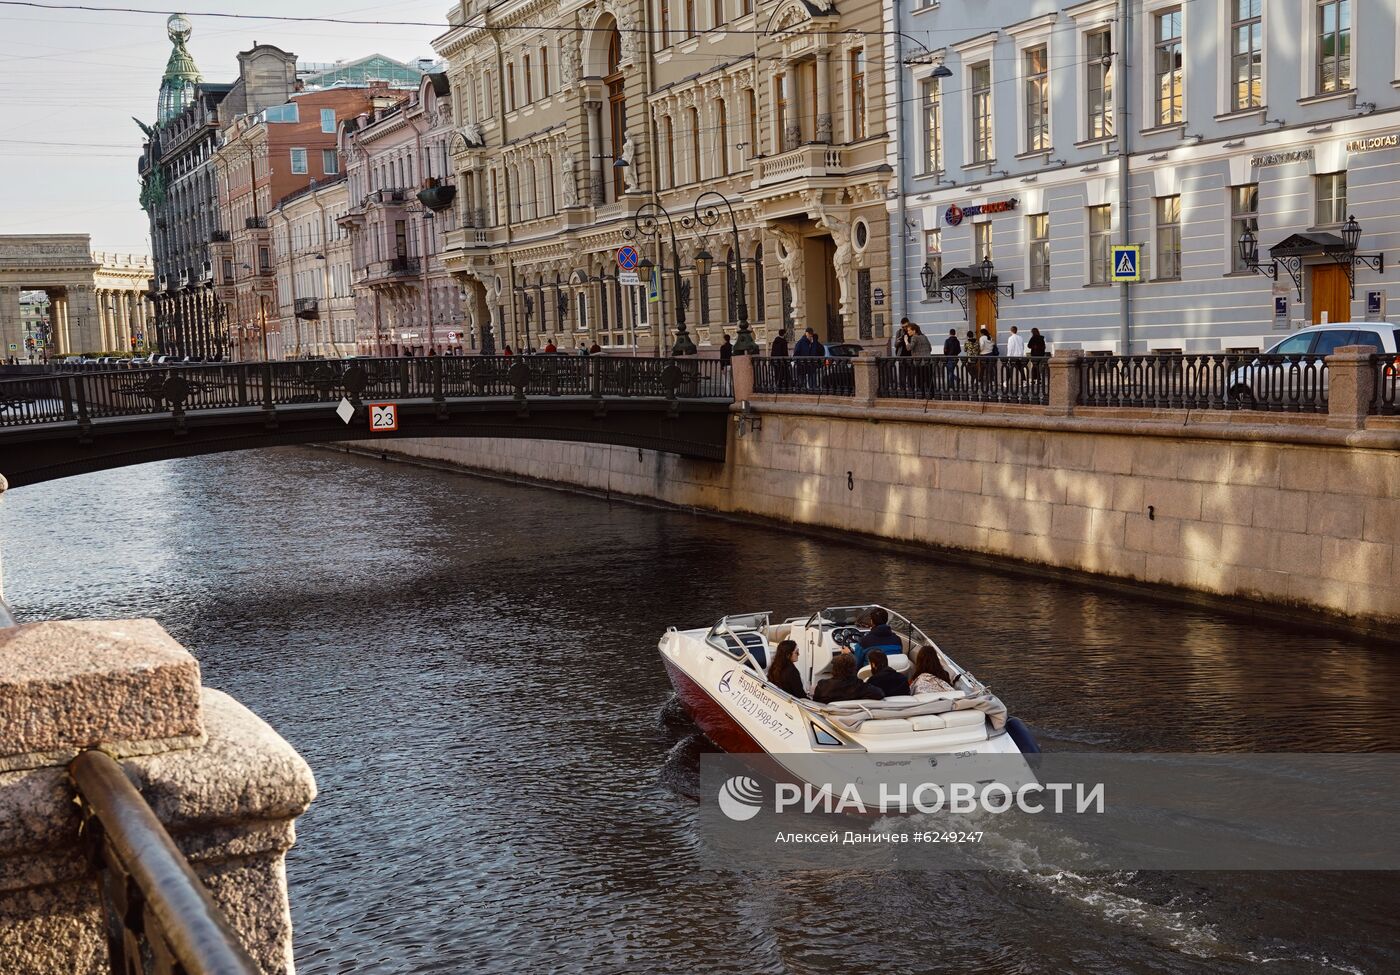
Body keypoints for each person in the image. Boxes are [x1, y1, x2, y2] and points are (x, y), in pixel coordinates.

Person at [813, 653, 885, 704]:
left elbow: (816, 703)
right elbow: (880, 693)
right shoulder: (859, 686)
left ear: (834, 669)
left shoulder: (822, 686)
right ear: (853, 669)